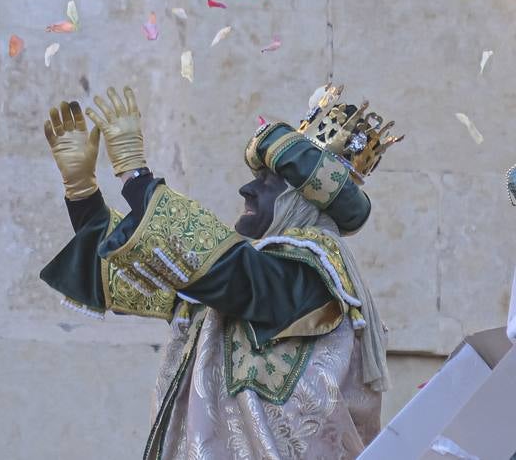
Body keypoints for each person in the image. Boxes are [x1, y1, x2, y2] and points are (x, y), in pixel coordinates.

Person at [40, 83, 401, 459]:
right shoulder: (243, 279)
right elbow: (142, 273)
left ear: (299, 201)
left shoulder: (316, 271)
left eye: (267, 182)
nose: (247, 190)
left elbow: (230, 275)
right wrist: (82, 192)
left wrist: (135, 174)